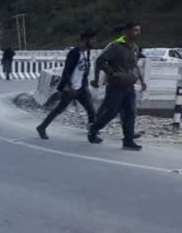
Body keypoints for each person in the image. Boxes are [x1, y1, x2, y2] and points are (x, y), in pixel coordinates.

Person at [88, 23, 147, 151]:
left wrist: (142, 81)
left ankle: (128, 141)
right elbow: (100, 61)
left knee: (130, 113)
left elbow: (135, 66)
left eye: (139, 30)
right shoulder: (115, 46)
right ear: (126, 32)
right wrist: (112, 73)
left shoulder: (135, 47)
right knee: (111, 112)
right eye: (135, 30)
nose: (138, 33)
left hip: (129, 86)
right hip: (116, 86)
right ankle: (93, 129)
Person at [36, 31, 97, 140]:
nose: (94, 41)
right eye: (92, 39)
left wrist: (84, 83)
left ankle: (92, 134)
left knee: (91, 109)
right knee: (59, 109)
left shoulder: (87, 52)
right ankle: (42, 127)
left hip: (82, 87)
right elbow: (66, 71)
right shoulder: (74, 53)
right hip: (71, 88)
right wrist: (69, 85)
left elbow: (83, 70)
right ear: (84, 40)